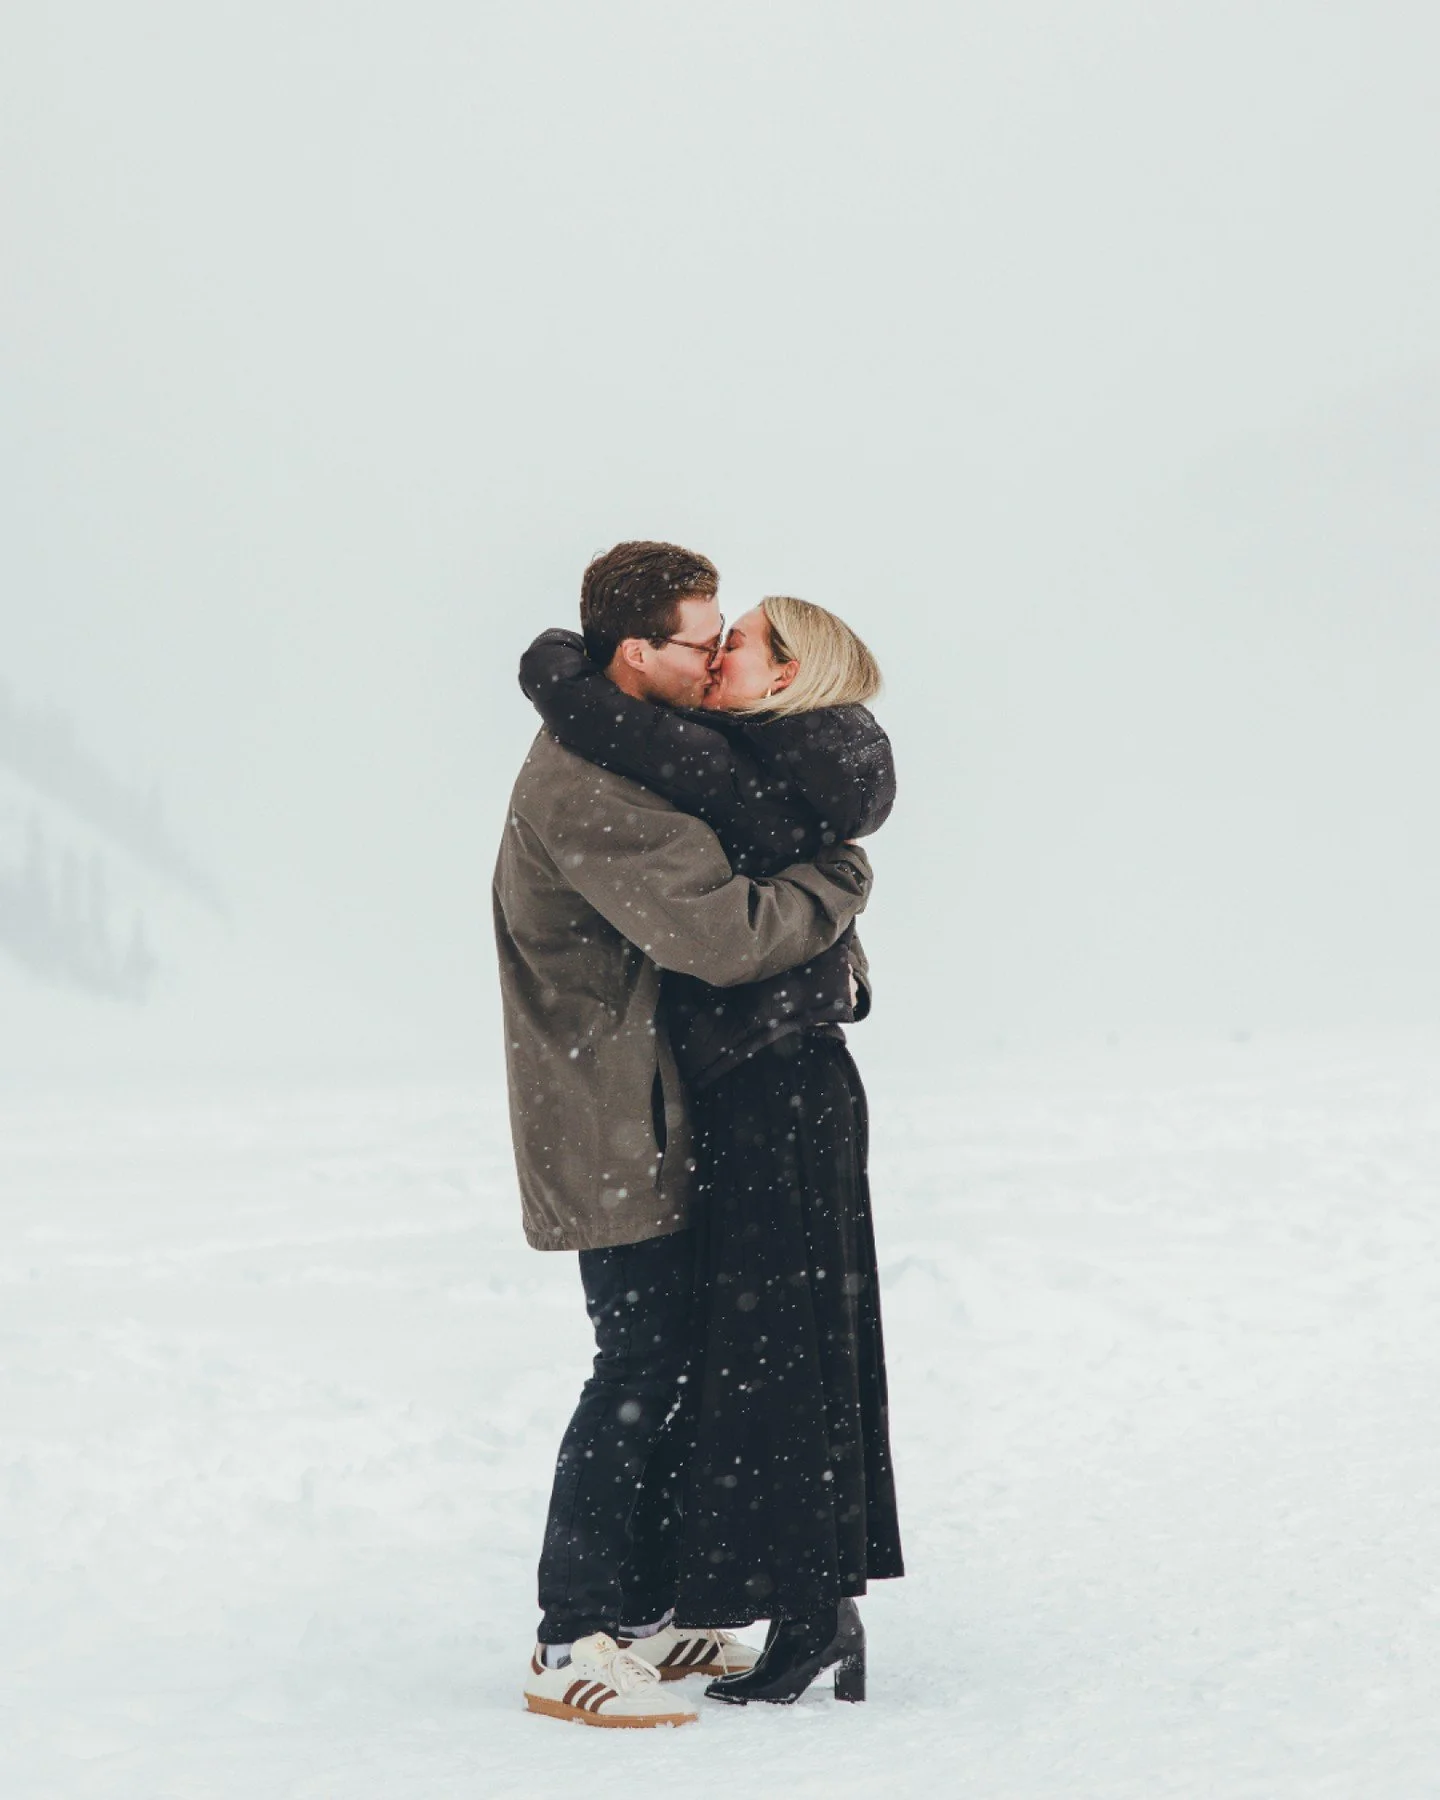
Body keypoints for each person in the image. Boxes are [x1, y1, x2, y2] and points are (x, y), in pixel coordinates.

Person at [494, 543, 876, 1728]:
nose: (718, 655)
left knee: (671, 1363)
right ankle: (572, 1636)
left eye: (727, 639)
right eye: (701, 642)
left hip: (652, 1110)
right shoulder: (590, 785)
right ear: (633, 654)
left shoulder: (636, 753)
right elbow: (724, 935)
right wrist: (839, 884)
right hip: (614, 1121)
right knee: (636, 1369)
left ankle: (646, 1614)